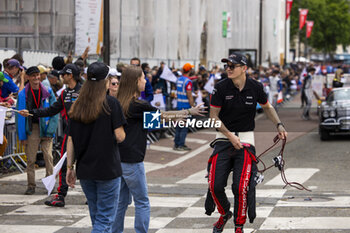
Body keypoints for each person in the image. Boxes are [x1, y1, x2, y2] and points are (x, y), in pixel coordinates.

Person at [114, 65, 206, 233]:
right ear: (135, 82)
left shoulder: (118, 102)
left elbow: (155, 121)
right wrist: (189, 111)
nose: (145, 81)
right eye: (142, 78)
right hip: (133, 160)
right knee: (142, 202)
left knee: (120, 202)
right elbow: (163, 115)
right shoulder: (138, 105)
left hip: (117, 159)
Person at [208, 53, 287, 233]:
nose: (228, 68)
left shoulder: (256, 87)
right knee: (214, 184)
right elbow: (213, 117)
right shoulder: (220, 88)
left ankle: (239, 225)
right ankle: (224, 212)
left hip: (246, 139)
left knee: (241, 186)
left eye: (233, 65)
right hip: (223, 138)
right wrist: (229, 135)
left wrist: (279, 125)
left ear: (244, 68)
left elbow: (267, 107)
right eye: (227, 65)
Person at [66, 62, 126, 233]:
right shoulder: (111, 104)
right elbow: (120, 136)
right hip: (107, 169)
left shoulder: (78, 105)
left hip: (85, 169)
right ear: (105, 81)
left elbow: (71, 140)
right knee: (105, 219)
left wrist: (69, 168)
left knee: (97, 215)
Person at [19, 64, 82, 206]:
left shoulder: (84, 91)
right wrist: (31, 112)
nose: (61, 77)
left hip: (86, 134)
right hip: (70, 134)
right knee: (63, 165)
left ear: (70, 75)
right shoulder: (65, 93)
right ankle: (60, 196)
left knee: (87, 164)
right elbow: (51, 110)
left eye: (63, 74)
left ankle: (92, 196)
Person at [16, 66, 59, 195]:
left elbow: (55, 112)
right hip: (32, 128)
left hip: (46, 127)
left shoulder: (48, 92)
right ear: (28, 77)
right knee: (30, 158)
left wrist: (50, 131)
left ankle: (50, 184)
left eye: (37, 75)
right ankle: (31, 185)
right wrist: (22, 136)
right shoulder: (22, 94)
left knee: (48, 156)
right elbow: (19, 116)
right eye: (33, 75)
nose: (36, 78)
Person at [173, 63, 195, 151]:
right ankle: (180, 145)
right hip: (186, 107)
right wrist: (193, 107)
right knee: (184, 127)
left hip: (179, 106)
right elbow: (189, 95)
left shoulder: (178, 80)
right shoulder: (188, 81)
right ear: (189, 70)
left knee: (178, 126)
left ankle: (176, 143)